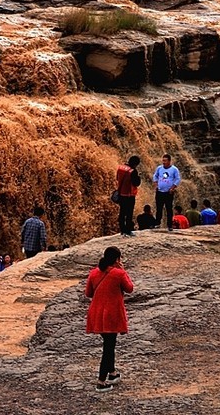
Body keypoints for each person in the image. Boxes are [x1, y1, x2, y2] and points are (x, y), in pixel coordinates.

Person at [85, 246, 133, 394]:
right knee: (108, 348)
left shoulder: (93, 273)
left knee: (109, 343)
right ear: (117, 259)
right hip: (111, 315)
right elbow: (130, 288)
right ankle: (101, 381)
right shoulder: (119, 274)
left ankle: (112, 373)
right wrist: (123, 270)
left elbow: (88, 293)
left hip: (96, 313)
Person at [152, 153, 181, 230]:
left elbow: (178, 179)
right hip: (160, 192)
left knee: (169, 209)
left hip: (168, 192)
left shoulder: (174, 169)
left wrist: (173, 187)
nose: (163, 162)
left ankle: (170, 225)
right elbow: (155, 176)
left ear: (169, 161)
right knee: (159, 208)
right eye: (163, 160)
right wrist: (156, 184)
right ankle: (157, 223)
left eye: (165, 161)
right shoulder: (159, 168)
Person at [115, 156, 142, 237]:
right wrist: (139, 177)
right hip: (129, 195)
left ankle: (122, 230)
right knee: (129, 213)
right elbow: (136, 183)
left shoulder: (120, 168)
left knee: (122, 212)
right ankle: (128, 230)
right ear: (135, 164)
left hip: (121, 194)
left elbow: (117, 178)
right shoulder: (133, 171)